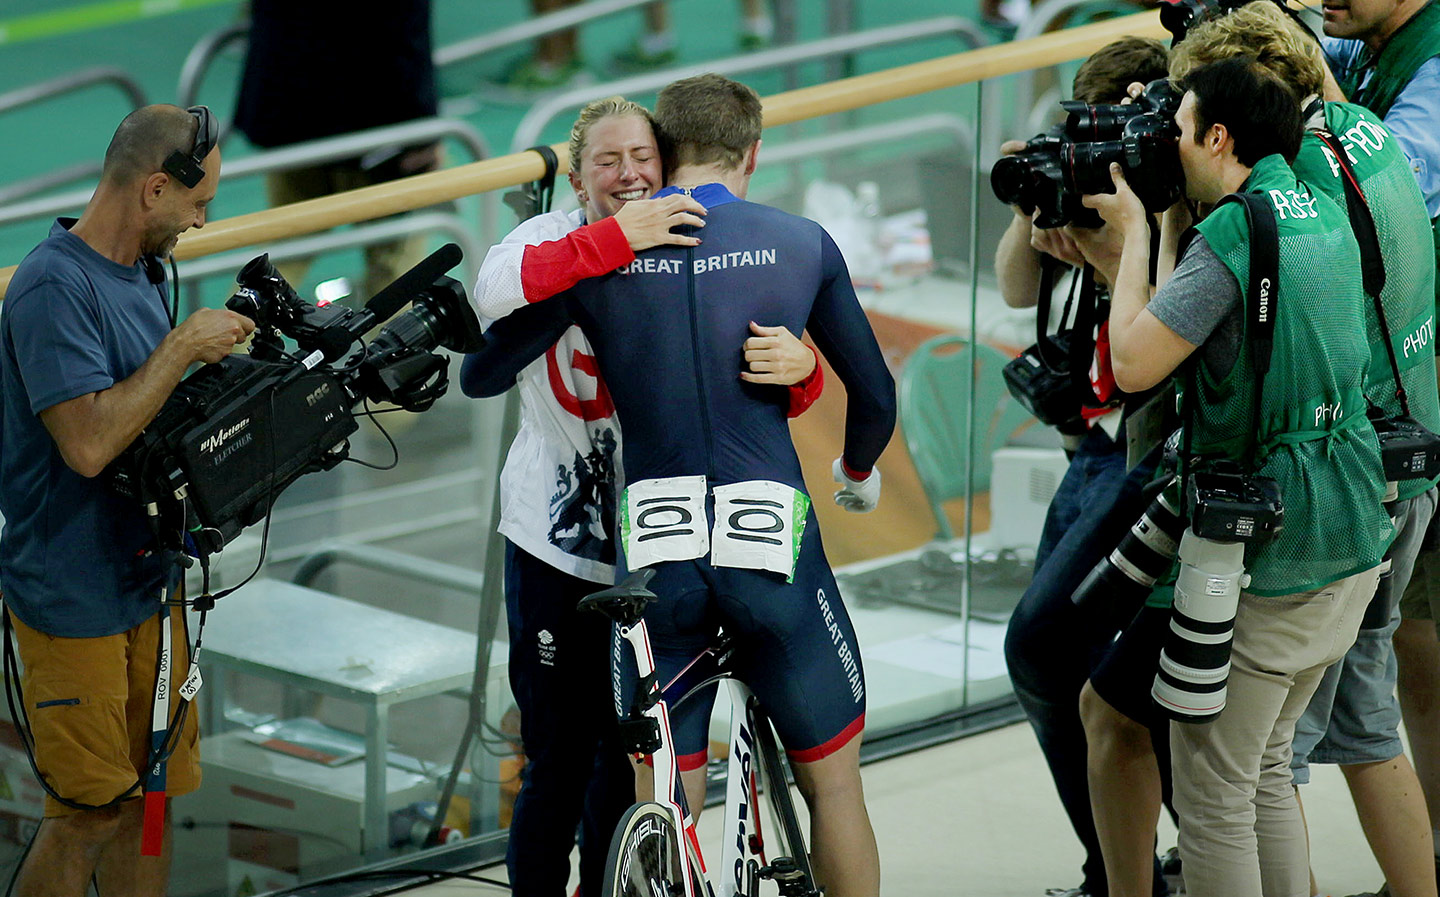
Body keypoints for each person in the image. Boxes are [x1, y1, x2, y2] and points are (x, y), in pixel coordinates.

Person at [466, 74, 894, 897]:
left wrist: (602, 263)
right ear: (753, 152)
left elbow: (483, 369)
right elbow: (875, 398)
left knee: (663, 793)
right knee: (835, 786)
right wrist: (854, 469)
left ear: (665, 158)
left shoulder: (603, 258)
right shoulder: (799, 240)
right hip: (766, 547)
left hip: (655, 554)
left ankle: (662, 842)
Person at [1068, 7, 1440, 897]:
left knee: (1217, 791)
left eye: (1182, 122)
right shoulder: (1351, 161)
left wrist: (1133, 238)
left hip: (1278, 541)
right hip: (1362, 510)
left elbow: (1129, 366)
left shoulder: (1238, 231)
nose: (1171, 140)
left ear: (1222, 132)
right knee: (1271, 766)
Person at [0, 105, 255, 897]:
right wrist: (181, 348)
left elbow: (150, 424)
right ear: (152, 189)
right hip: (72, 595)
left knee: (149, 799)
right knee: (86, 812)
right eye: (196, 204)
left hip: (149, 579)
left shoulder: (139, 273)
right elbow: (86, 444)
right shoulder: (52, 287)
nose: (200, 221)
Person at [996, 35, 1177, 897]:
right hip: (1091, 449)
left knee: (1042, 648)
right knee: (1061, 661)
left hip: (1142, 454)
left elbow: (1157, 339)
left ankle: (1129, 863)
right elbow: (1012, 290)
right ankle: (1127, 856)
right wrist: (1034, 209)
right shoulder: (1093, 196)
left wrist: (1112, 240)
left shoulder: (1167, 203)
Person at [1321, 0, 1440, 883]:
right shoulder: (1366, 39)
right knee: (1413, 640)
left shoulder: (1434, 66)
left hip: (1424, 383)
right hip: (1406, 390)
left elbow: (1387, 183)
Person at [234, 0, 439, 301]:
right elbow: (405, 27)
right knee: (394, 263)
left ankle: (228, 343)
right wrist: (423, 129)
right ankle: (392, 349)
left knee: (281, 255)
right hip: (375, 123)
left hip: (287, 110)